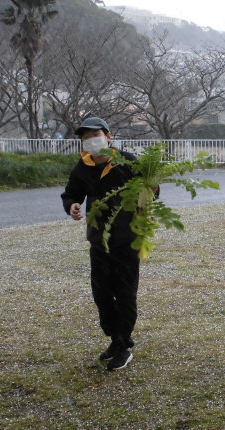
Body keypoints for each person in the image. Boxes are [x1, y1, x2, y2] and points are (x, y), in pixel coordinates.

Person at [61, 117, 154, 371]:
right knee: (101, 294)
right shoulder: (82, 167)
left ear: (109, 136)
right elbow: (71, 193)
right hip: (98, 240)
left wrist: (149, 189)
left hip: (127, 239)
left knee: (124, 293)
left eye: (96, 135)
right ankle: (116, 338)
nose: (92, 140)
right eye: (86, 137)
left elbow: (151, 191)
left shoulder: (127, 161)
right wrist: (72, 205)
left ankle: (123, 346)